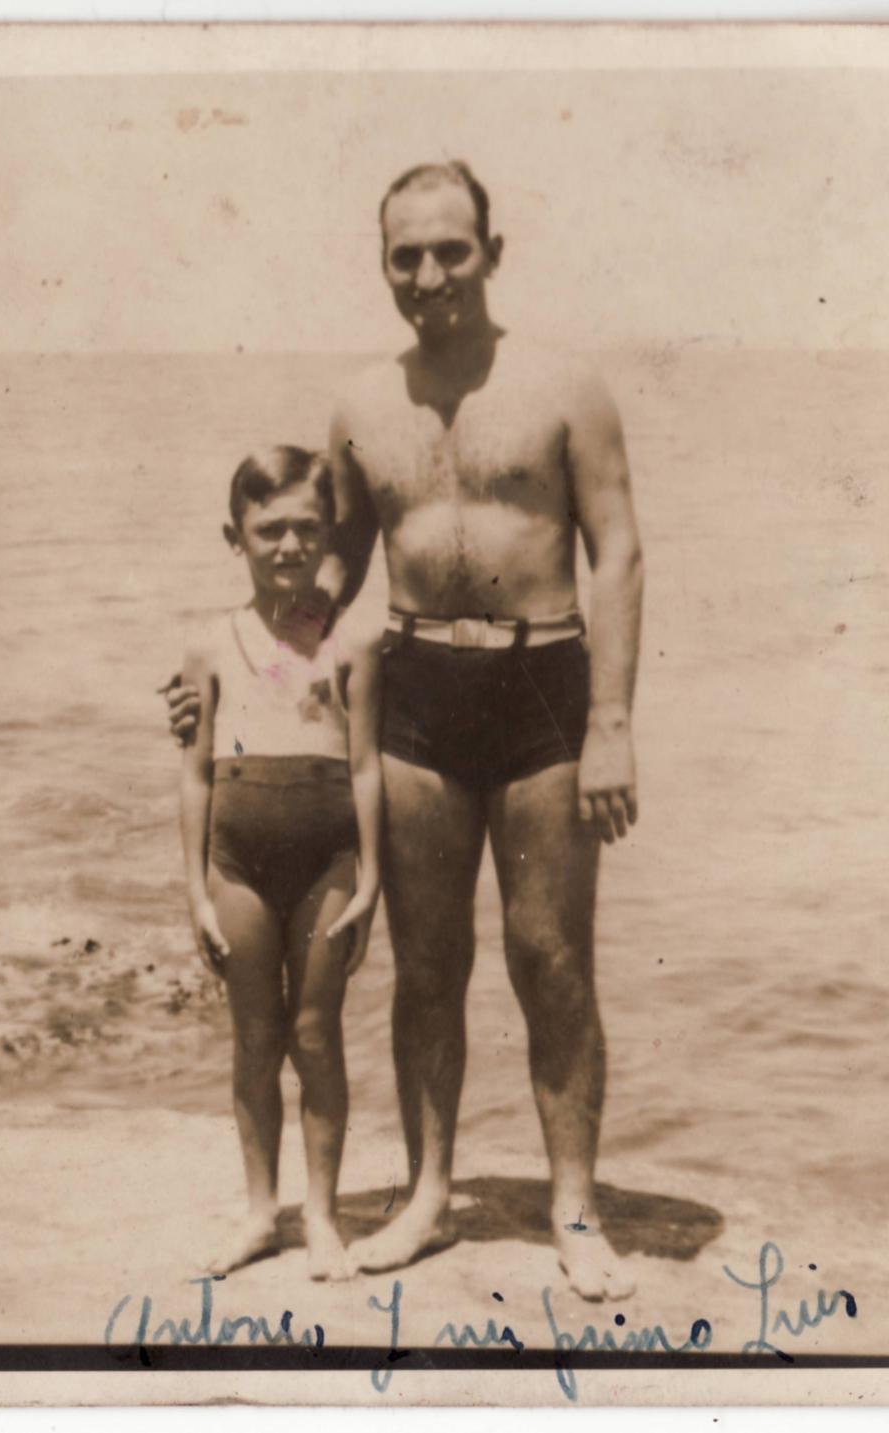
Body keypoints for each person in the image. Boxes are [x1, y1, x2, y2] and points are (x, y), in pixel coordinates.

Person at [170, 161, 643, 1301]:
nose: (429, 275)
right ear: (384, 262)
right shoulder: (360, 406)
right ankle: (431, 1194)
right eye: (405, 256)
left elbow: (617, 549)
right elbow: (322, 572)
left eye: (451, 251)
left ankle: (572, 1202)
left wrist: (616, 721)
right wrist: (225, 681)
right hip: (421, 685)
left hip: (544, 688)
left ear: (492, 248)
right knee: (426, 963)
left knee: (552, 955)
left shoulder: (564, 385)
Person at [179, 446, 382, 1282]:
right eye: (270, 530)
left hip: (331, 856)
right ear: (237, 536)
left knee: (316, 1033)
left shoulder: (352, 644)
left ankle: (323, 1217)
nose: (290, 545)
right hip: (238, 862)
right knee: (256, 1037)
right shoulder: (208, 644)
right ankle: (262, 1212)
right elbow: (192, 774)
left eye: (307, 527)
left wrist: (371, 877)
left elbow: (367, 765)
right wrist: (193, 887)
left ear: (329, 533)